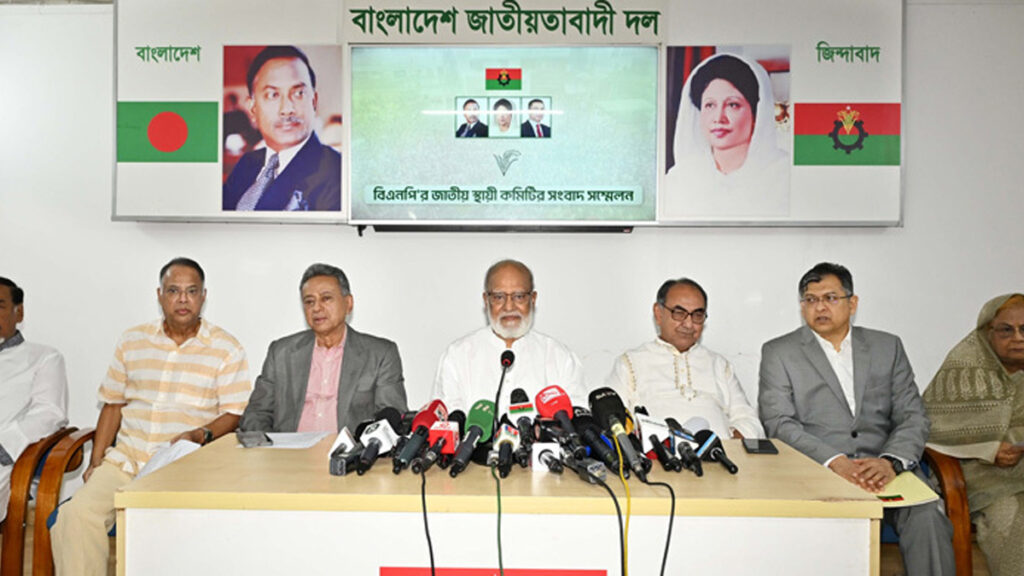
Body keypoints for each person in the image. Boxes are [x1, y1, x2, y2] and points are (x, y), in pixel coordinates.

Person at [52, 258, 251, 576]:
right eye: (173, 291)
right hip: (126, 462)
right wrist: (96, 461)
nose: (183, 299)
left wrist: (199, 435)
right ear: (160, 295)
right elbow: (113, 404)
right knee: (75, 515)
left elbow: (234, 413)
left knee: (164, 533)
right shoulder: (133, 341)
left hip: (182, 467)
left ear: (203, 296)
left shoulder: (226, 348)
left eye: (191, 291)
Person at [758, 262, 954, 576]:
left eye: (830, 298)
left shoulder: (887, 346)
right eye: (810, 299)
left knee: (927, 515)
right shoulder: (779, 352)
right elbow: (779, 422)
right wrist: (835, 461)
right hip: (818, 469)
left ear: (852, 303)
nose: (820, 307)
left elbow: (912, 415)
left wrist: (890, 461)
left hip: (886, 469)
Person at [923, 293, 1024, 575]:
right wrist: (988, 448)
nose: (1018, 338)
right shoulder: (964, 370)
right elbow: (930, 426)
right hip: (981, 476)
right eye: (1006, 330)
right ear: (987, 332)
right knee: (1013, 519)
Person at [240, 263, 408, 433]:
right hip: (289, 448)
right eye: (309, 302)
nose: (316, 308)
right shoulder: (281, 353)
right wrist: (268, 445)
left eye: (326, 298)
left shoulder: (380, 354)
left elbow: (391, 419)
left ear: (348, 303)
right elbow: (257, 413)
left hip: (349, 448)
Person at [605, 278, 762, 440]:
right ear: (658, 313)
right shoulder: (630, 363)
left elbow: (749, 421)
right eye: (679, 313)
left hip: (719, 452)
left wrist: (727, 446)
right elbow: (611, 422)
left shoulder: (719, 365)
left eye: (697, 315)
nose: (688, 324)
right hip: (657, 454)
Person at [432, 259, 587, 416]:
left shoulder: (560, 357)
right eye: (499, 297)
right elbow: (443, 420)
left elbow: (577, 417)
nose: (509, 306)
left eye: (519, 296)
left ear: (533, 299)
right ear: (486, 300)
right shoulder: (458, 355)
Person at [663, 52, 789, 218]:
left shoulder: (785, 176)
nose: (718, 118)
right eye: (710, 105)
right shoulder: (680, 178)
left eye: (732, 105)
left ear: (756, 113)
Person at [223, 45, 341, 212]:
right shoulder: (247, 163)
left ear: (314, 102)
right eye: (273, 95)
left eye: (299, 93)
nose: (287, 109)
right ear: (253, 108)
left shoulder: (337, 171)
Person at [0, 277, 68, 522]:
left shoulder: (44, 358)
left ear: (19, 312)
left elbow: (49, 413)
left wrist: (5, 446)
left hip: (5, 460)